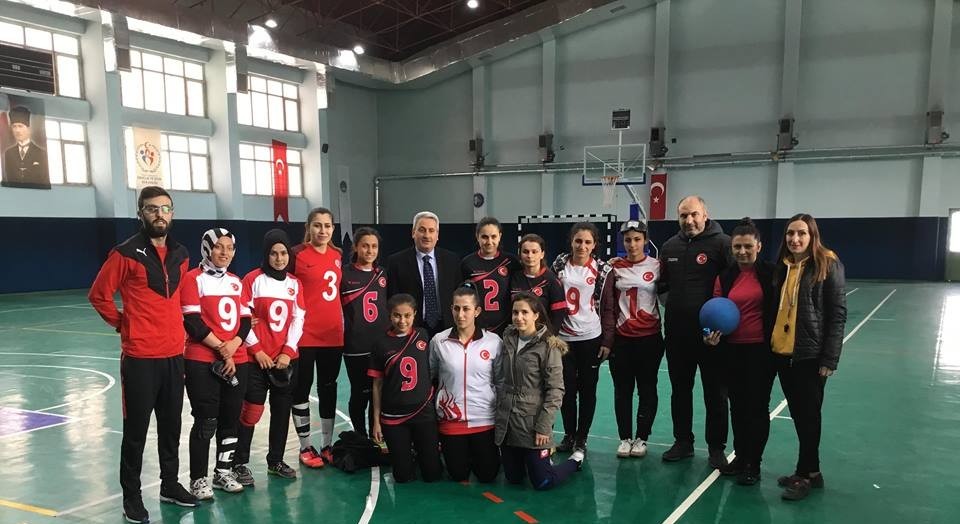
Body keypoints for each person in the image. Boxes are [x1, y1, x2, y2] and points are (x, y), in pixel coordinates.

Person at [88, 186, 198, 523]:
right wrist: (125, 325)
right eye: (152, 209)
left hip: (172, 355)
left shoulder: (181, 253)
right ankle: (132, 497)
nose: (159, 214)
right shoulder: (124, 253)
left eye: (165, 208)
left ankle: (169, 484)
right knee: (135, 431)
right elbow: (99, 295)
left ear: (173, 213)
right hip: (139, 358)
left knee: (171, 427)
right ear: (141, 213)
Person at [771, 213, 847, 501]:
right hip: (783, 353)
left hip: (810, 355)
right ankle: (812, 473)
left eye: (801, 233)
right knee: (800, 415)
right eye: (791, 233)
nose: (795, 239)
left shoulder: (827, 264)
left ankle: (804, 474)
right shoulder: (783, 266)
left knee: (808, 416)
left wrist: (830, 358)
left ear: (812, 236)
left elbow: (837, 314)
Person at [659, 195, 733, 467]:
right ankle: (683, 442)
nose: (688, 221)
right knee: (680, 390)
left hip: (712, 338)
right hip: (677, 335)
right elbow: (663, 286)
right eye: (683, 216)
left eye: (693, 215)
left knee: (715, 392)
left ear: (705, 214)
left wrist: (722, 327)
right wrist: (678, 309)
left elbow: (734, 287)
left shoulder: (723, 244)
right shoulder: (669, 246)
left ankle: (716, 448)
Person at [703, 218, 776, 485]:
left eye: (747, 246)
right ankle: (740, 456)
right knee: (737, 407)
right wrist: (709, 337)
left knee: (756, 408)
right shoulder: (726, 276)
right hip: (731, 351)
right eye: (737, 247)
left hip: (761, 352)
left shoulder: (771, 273)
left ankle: (753, 464)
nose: (742, 252)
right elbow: (714, 310)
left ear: (758, 245)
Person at [180, 228, 252, 499]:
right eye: (218, 247)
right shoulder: (192, 279)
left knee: (230, 419)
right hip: (202, 360)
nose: (224, 252)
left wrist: (232, 347)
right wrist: (223, 350)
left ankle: (223, 472)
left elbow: (245, 321)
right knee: (206, 421)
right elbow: (193, 322)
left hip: (236, 359)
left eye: (229, 247)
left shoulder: (236, 281)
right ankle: (198, 479)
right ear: (207, 249)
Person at [234, 229, 306, 485]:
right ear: (266, 254)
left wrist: (287, 351)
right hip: (257, 361)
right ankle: (239, 462)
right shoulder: (253, 279)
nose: (279, 258)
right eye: (273, 253)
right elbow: (242, 318)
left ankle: (275, 459)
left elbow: (298, 319)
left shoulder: (294, 284)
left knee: (281, 411)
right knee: (251, 410)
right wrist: (257, 350)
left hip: (285, 361)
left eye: (284, 253)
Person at [496, 292, 584, 490]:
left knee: (543, 482)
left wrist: (544, 426)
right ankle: (534, 462)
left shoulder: (548, 346)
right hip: (508, 422)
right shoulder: (508, 336)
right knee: (513, 478)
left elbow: (556, 390)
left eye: (525, 312)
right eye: (515, 312)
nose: (519, 317)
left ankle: (575, 461)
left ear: (536, 316)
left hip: (532, 423)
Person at [600, 220, 665, 459]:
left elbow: (667, 296)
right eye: (628, 240)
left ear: (645, 240)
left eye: (637, 239)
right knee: (622, 390)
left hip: (650, 338)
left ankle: (642, 438)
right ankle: (625, 438)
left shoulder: (657, 266)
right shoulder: (614, 267)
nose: (632, 244)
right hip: (622, 339)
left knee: (647, 389)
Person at [429, 284, 503, 482]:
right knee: (458, 474)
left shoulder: (494, 342)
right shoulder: (438, 341)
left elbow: (500, 381)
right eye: (456, 308)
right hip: (451, 422)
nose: (461, 314)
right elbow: (431, 376)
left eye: (466, 309)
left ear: (477, 311)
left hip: (484, 420)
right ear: (451, 308)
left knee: (488, 475)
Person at [289, 207, 345, 468]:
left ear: (333, 228)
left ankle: (326, 443)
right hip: (303, 335)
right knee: (301, 388)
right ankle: (304, 447)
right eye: (317, 225)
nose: (322, 230)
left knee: (328, 388)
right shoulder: (296, 254)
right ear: (308, 227)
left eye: (327, 226)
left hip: (332, 334)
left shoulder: (337, 255)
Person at [551, 222, 612, 456]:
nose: (582, 246)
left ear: (594, 244)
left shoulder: (602, 270)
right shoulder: (559, 264)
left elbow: (607, 307)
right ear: (571, 241)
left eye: (587, 242)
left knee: (588, 389)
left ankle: (582, 437)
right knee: (566, 388)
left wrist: (607, 340)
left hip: (590, 337)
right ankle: (569, 434)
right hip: (563, 339)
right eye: (578, 241)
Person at [369, 294, 442, 483]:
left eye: (407, 315)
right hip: (394, 417)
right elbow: (377, 385)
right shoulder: (380, 344)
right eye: (397, 316)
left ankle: (421, 454)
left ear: (415, 314)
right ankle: (407, 456)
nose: (402, 321)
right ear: (389, 316)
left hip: (423, 412)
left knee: (432, 474)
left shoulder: (423, 336)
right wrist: (376, 421)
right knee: (402, 476)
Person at [341, 227, 389, 437]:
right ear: (356, 247)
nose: (370, 250)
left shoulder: (383, 274)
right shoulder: (344, 273)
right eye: (365, 246)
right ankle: (360, 436)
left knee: (379, 394)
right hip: (355, 346)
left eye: (374, 246)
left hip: (380, 344)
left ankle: (376, 435)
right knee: (360, 394)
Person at [387, 211, 461, 336]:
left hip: (446, 326)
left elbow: (458, 293)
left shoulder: (452, 260)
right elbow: (393, 298)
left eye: (431, 230)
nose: (427, 235)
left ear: (437, 235)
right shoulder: (396, 262)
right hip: (411, 328)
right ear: (413, 233)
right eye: (422, 230)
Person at [461, 217, 520, 335]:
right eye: (484, 237)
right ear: (477, 236)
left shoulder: (511, 262)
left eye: (493, 236)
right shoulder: (467, 263)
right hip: (477, 327)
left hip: (507, 327)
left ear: (500, 236)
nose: (489, 242)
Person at [509, 233, 567, 332]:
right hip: (517, 334)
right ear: (520, 254)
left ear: (542, 254)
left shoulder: (552, 281)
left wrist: (549, 337)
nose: (530, 256)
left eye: (534, 252)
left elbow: (558, 315)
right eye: (525, 252)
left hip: (541, 337)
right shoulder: (514, 277)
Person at [2, 105, 49, 189]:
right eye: (14, 126)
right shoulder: (8, 153)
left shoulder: (41, 153)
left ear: (29, 128)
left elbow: (44, 179)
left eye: (20, 126)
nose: (17, 130)